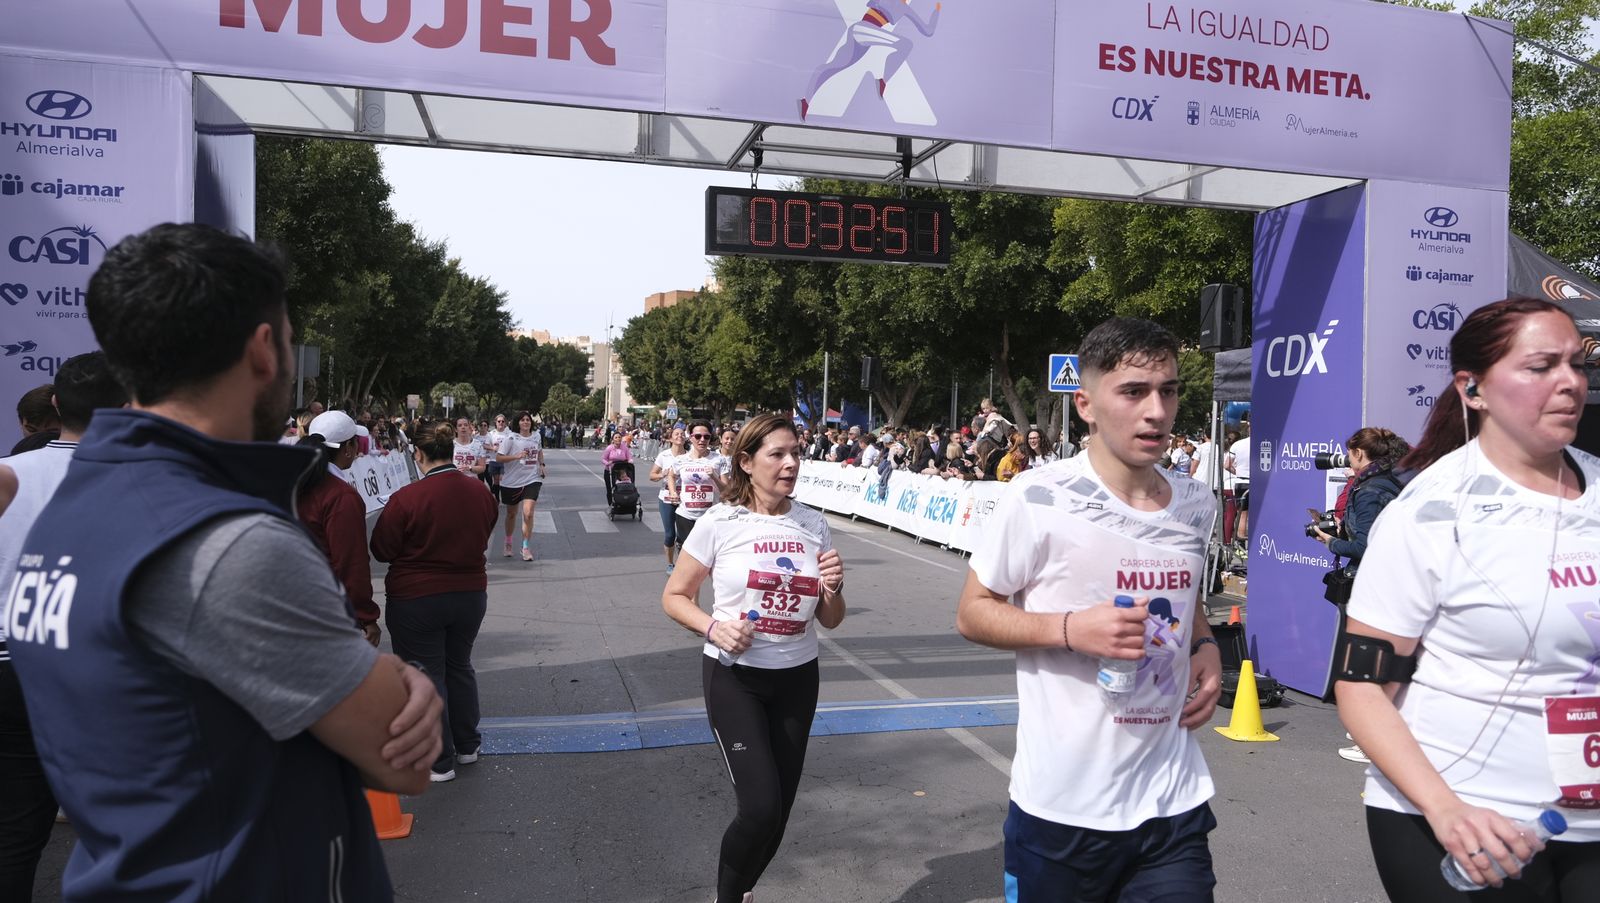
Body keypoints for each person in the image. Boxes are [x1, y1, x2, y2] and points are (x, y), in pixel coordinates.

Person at [6, 223, 441, 901]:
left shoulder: (71, 509)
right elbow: (403, 759)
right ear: (265, 350)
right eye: (291, 338)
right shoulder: (229, 543)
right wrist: (407, 683)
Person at [1336, 298, 1600, 898]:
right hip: (1467, 822)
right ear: (1473, 388)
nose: (1570, 383)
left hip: (1587, 821)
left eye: (1577, 366)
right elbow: (1361, 685)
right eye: (1541, 367)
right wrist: (1447, 811)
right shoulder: (1431, 511)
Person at [956, 317, 1223, 901]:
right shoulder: (1039, 496)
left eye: (1169, 391)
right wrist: (1073, 628)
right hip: (1063, 810)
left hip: (1171, 803)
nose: (1156, 410)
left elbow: (1188, 599)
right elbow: (974, 611)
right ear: (1087, 404)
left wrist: (1205, 646)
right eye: (1133, 392)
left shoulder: (1199, 503)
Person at [660, 413, 847, 903]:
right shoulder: (719, 522)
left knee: (779, 813)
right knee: (760, 809)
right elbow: (675, 596)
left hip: (797, 678)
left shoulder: (813, 523)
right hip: (735, 679)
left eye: (796, 454)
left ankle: (740, 891)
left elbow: (831, 619)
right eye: (777, 454)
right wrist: (715, 627)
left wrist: (833, 588)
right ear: (746, 461)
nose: (791, 464)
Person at [0, 352, 125, 902]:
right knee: (124, 828)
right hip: (103, 671)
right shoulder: (149, 483)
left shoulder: (10, 474)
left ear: (54, 404)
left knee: (16, 828)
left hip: (12, 666)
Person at [371, 421, 499, 783]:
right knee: (459, 666)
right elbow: (486, 529)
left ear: (419, 454)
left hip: (417, 597)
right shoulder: (479, 493)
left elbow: (382, 549)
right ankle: (468, 744)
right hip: (470, 593)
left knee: (426, 674)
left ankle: (438, 759)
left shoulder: (408, 498)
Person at [297, 410, 383, 647]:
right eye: (356, 444)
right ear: (347, 448)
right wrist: (365, 617)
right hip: (325, 611)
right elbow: (350, 562)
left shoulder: (289, 482)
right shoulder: (340, 496)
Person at [667, 421, 729, 556]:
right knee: (687, 555)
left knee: (709, 556)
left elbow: (726, 490)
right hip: (686, 515)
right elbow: (671, 476)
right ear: (690, 437)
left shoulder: (719, 459)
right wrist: (673, 492)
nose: (702, 440)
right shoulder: (681, 460)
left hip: (711, 516)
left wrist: (714, 476)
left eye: (706, 437)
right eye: (698, 436)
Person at [494, 411, 546, 562]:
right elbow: (499, 457)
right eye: (522, 420)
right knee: (511, 514)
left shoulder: (536, 436)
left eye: (528, 420)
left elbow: (540, 451)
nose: (525, 422)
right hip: (511, 481)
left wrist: (541, 464)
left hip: (532, 478)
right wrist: (516, 457)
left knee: (528, 513)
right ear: (518, 423)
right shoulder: (511, 438)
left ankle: (525, 546)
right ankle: (508, 542)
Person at [652, 426, 688, 573]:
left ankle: (682, 564)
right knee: (669, 535)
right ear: (671, 438)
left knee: (682, 535)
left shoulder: (690, 456)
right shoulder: (664, 455)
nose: (680, 436)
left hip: (684, 499)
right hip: (666, 498)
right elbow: (652, 475)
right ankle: (670, 564)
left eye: (682, 434)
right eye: (676, 434)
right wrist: (662, 475)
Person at [1224, 420, 1251, 549]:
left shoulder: (1237, 445)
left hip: (1240, 481)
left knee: (1242, 513)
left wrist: (1238, 471)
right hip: (1258, 482)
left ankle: (1241, 545)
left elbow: (1227, 465)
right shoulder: (1263, 443)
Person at [603, 429, 633, 507]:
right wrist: (608, 463)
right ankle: (611, 504)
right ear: (613, 439)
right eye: (616, 437)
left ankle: (623, 502)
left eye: (619, 437)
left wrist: (630, 461)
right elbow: (603, 459)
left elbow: (629, 457)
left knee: (621, 487)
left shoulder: (625, 448)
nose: (618, 439)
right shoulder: (609, 448)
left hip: (621, 470)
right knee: (610, 489)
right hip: (610, 470)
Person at [452, 417, 487, 481]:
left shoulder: (477, 444)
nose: (463, 427)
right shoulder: (450, 444)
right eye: (460, 425)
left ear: (469, 427)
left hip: (471, 482)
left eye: (465, 425)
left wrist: (469, 468)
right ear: (456, 429)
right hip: (454, 481)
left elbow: (482, 467)